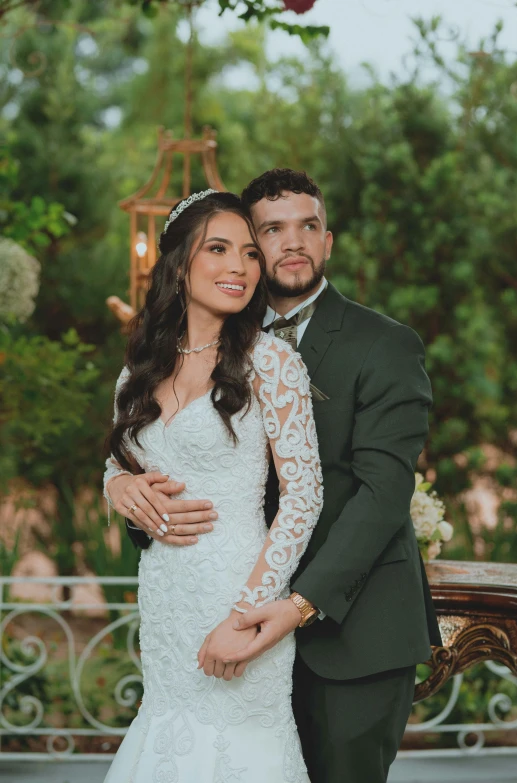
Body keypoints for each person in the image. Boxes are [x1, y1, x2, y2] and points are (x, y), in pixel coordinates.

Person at [125, 169, 444, 783]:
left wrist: (293, 607)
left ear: (329, 241)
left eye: (309, 227)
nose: (292, 242)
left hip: (348, 632)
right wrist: (120, 487)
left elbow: (382, 494)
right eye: (270, 230)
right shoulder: (211, 344)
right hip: (217, 616)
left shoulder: (386, 345)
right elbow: (165, 456)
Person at [102, 189, 323, 783]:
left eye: (250, 254)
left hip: (237, 598)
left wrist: (246, 616)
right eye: (218, 249)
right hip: (166, 604)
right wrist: (118, 488)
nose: (241, 268)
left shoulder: (271, 363)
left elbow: (303, 501)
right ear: (180, 264)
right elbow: (120, 463)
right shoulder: (139, 369)